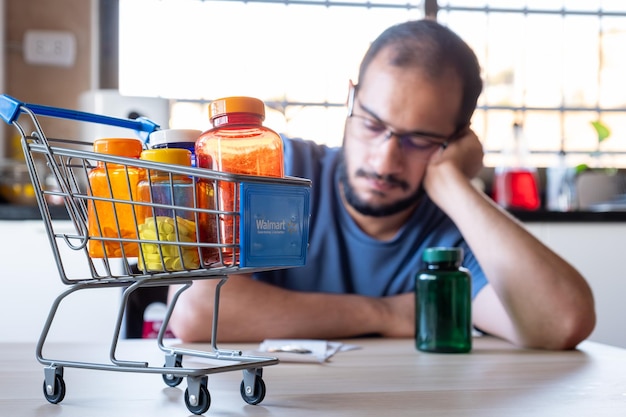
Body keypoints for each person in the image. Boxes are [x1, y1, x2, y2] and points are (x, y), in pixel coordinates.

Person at [168, 19, 595, 350]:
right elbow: (196, 312)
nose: (385, 160)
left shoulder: (451, 231)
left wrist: (454, 184)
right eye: (373, 124)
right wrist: (388, 314)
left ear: (456, 139)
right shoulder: (275, 168)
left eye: (420, 140)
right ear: (351, 98)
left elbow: (560, 323)